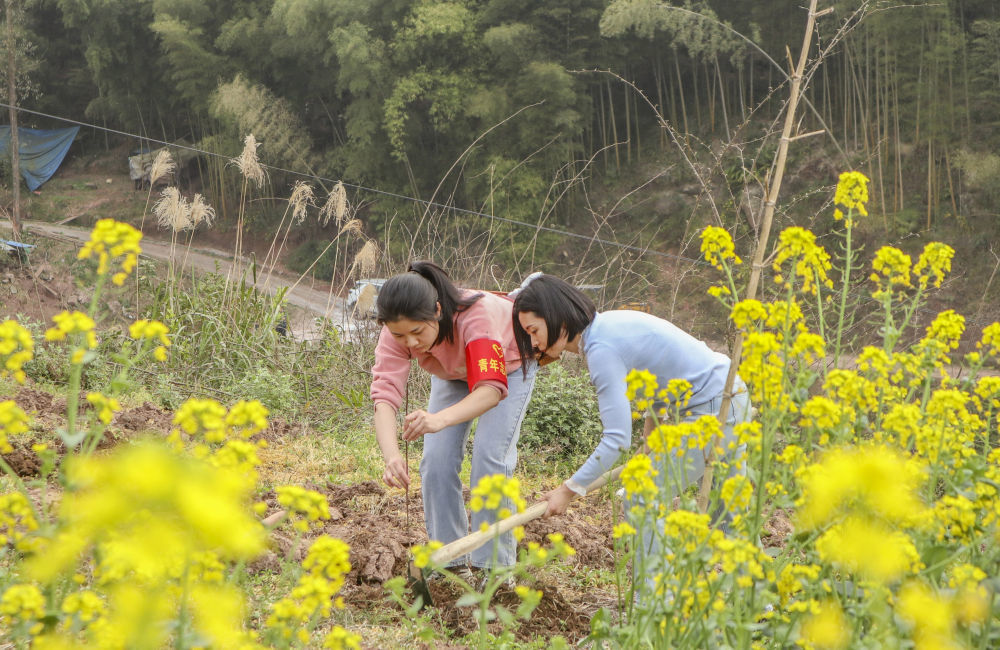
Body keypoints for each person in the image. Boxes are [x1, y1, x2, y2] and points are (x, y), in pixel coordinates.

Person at [510, 273, 751, 533]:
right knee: (730, 517)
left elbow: (617, 439)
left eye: (534, 331)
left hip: (712, 406)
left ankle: (656, 575)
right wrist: (649, 442)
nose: (534, 343)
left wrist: (568, 490)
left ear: (556, 315)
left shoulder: (601, 348)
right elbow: (659, 381)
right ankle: (752, 573)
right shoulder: (609, 326)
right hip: (728, 394)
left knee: (641, 498)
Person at [370, 261, 537, 574]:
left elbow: (490, 390)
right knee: (436, 460)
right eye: (400, 335)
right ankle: (451, 562)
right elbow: (384, 395)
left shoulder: (477, 315)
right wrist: (391, 457)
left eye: (417, 332)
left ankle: (495, 569)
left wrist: (438, 420)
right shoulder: (396, 330)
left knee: (490, 458)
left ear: (437, 310)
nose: (410, 343)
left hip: (508, 369)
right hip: (452, 372)